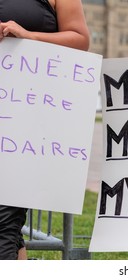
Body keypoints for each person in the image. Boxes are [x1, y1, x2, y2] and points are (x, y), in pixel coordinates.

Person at [0, 0, 89, 260]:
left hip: (23, 121)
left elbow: (81, 39)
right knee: (9, 226)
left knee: (5, 218)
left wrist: (29, 36)